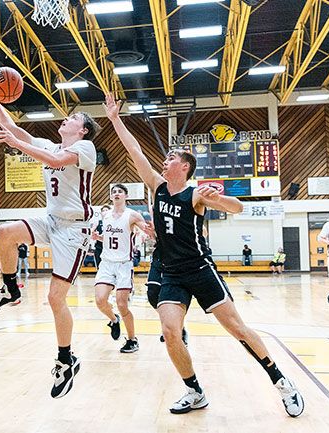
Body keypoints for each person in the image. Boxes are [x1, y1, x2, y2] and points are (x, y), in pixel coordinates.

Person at [104, 94, 304, 417]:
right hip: (170, 272)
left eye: (171, 158)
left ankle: (281, 381)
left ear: (184, 167)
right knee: (170, 331)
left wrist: (222, 200)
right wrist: (115, 119)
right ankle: (194, 391)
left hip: (200, 269)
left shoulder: (195, 193)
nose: (164, 160)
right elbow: (135, 152)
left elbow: (238, 208)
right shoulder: (156, 185)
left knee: (238, 329)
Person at [0, 97, 100, 399]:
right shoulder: (48, 143)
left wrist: (17, 145)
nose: (65, 119)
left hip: (74, 229)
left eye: (72, 118)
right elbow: (11, 127)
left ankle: (65, 360)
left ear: (82, 130)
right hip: (51, 219)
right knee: (5, 232)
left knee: (55, 298)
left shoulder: (86, 149)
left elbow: (56, 162)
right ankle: (9, 289)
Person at [92, 184, 147, 353]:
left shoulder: (132, 215)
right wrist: (98, 237)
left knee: (122, 304)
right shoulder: (105, 215)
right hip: (107, 263)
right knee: (100, 300)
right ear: (111, 197)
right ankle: (114, 319)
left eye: (119, 192)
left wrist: (144, 234)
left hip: (124, 264)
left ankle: (132, 339)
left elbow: (145, 230)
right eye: (114, 192)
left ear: (126, 196)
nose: (116, 194)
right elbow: (109, 238)